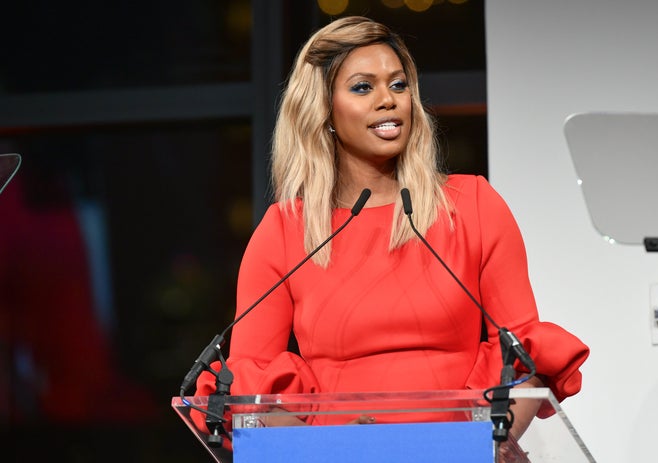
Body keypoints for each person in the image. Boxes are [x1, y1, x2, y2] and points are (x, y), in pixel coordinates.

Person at [194, 15, 589, 440]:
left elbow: (524, 360)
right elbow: (251, 391)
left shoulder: (472, 206)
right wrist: (330, 451)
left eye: (398, 85)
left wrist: (473, 449)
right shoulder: (286, 231)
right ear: (323, 110)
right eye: (363, 87)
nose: (389, 100)